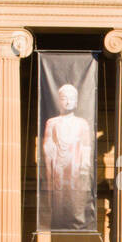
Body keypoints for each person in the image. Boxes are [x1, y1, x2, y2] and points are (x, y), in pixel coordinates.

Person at [41, 83, 94, 230]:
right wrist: (49, 166)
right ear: (59, 100)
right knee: (58, 196)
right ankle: (59, 221)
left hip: (75, 165)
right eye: (64, 98)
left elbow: (86, 146)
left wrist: (84, 166)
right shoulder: (52, 122)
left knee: (76, 195)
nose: (68, 101)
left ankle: (76, 220)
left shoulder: (82, 123)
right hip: (59, 166)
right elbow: (48, 145)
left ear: (76, 101)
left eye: (72, 98)